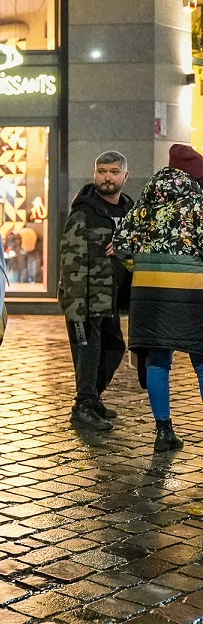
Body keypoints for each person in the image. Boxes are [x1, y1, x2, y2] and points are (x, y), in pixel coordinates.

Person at [113, 143, 203, 452]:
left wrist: (140, 267)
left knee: (157, 359)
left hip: (147, 290)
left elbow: (121, 244)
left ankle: (163, 432)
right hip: (192, 290)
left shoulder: (145, 203)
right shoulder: (198, 203)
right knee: (202, 360)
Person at [58, 151, 135, 431]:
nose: (107, 177)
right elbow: (70, 259)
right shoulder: (85, 210)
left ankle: (92, 398)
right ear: (94, 174)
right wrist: (75, 305)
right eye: (102, 171)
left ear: (125, 176)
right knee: (87, 354)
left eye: (114, 172)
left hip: (112, 299)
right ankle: (83, 405)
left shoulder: (128, 210)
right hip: (86, 299)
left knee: (113, 348)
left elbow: (136, 246)